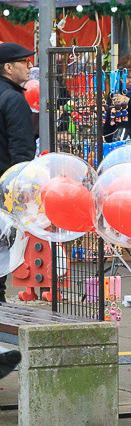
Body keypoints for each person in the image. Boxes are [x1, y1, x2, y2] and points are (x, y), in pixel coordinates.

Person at [0, 41, 33, 374]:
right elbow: (22, 158)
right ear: (8, 68)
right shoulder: (13, 100)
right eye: (24, 62)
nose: (28, 67)